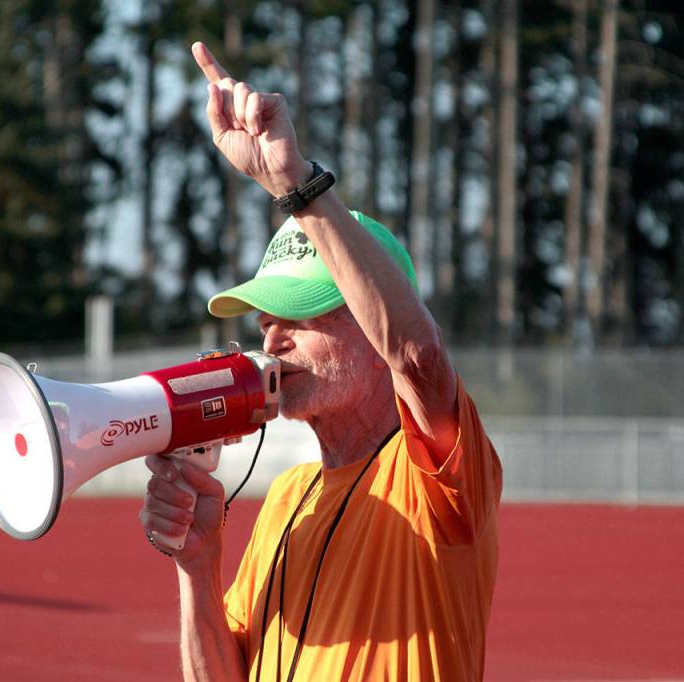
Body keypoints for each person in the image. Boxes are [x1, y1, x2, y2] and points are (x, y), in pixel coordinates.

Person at [138, 41, 503, 682]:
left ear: (371, 322)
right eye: (266, 323)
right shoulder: (286, 498)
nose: (273, 342)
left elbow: (417, 355)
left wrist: (294, 185)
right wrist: (197, 567)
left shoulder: (436, 474)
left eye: (303, 317)